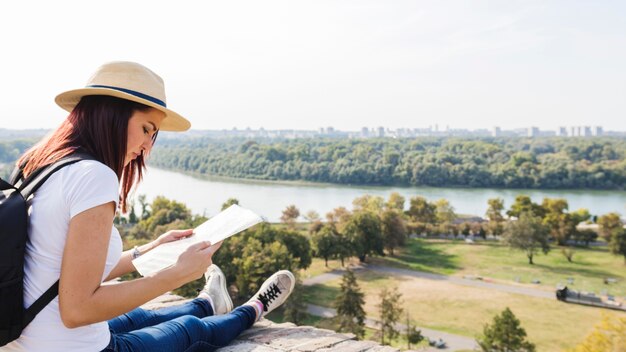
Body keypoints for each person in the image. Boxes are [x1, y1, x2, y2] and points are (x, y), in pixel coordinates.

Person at [3, 61, 295, 352]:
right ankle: (254, 308)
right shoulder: (95, 176)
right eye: (146, 129)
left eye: (152, 135)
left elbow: (56, 267)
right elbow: (77, 309)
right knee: (189, 331)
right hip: (70, 346)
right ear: (112, 114)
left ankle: (206, 303)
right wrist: (177, 274)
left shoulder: (40, 164)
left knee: (140, 317)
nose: (147, 146)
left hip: (28, 337)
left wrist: (149, 250)